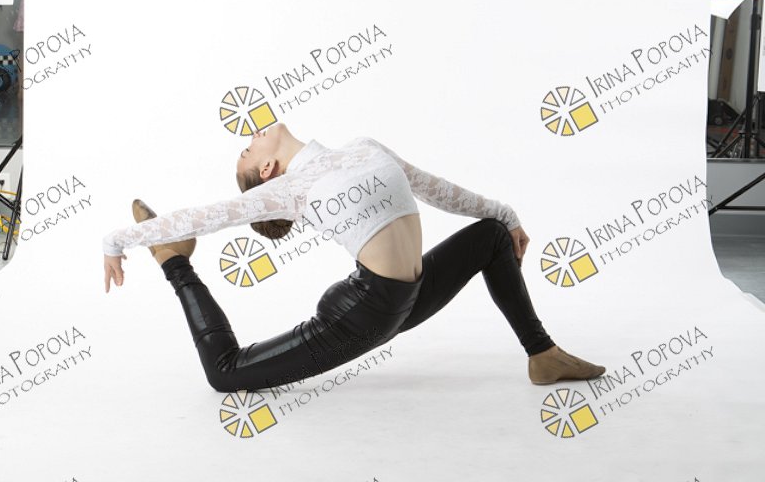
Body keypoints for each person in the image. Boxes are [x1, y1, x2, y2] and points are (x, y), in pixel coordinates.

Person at [102, 124, 605, 392]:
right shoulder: (288, 189)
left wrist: (505, 213)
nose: (248, 139)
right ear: (269, 169)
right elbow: (205, 216)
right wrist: (117, 240)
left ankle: (543, 355)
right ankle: (174, 262)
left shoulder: (363, 147)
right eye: (247, 152)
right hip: (362, 313)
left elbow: (436, 190)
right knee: (226, 373)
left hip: (409, 297)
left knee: (491, 236)